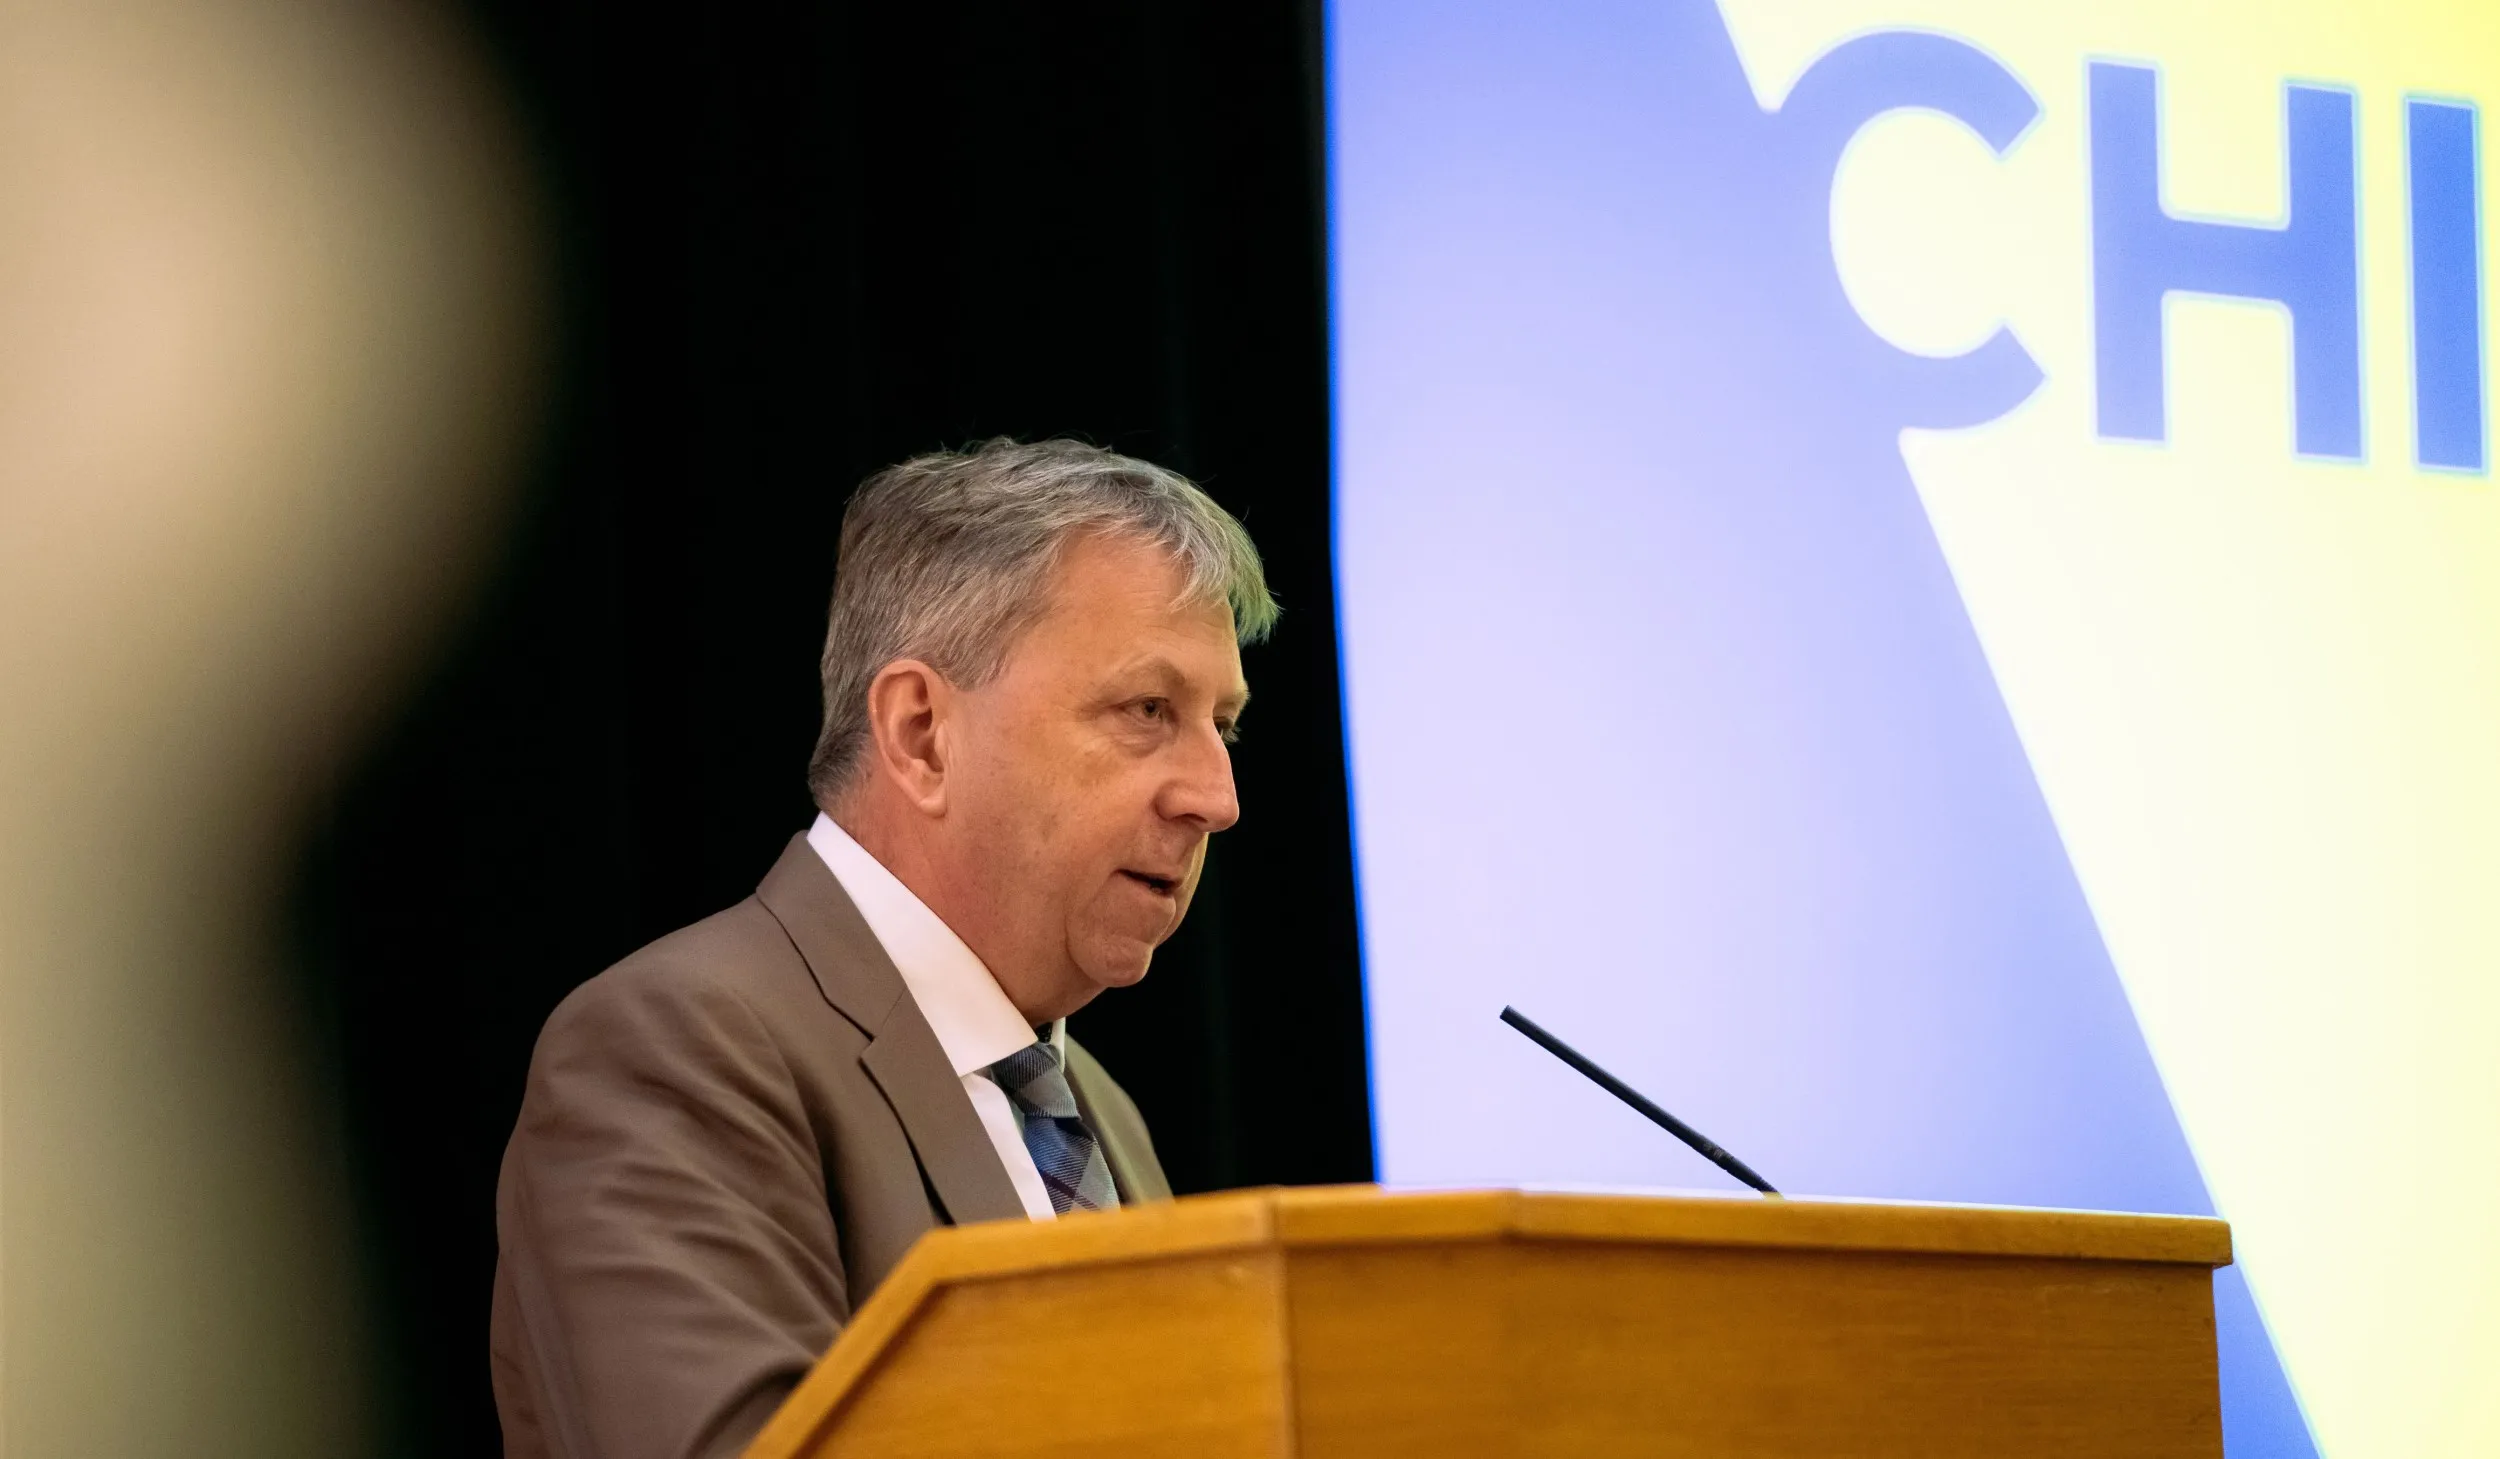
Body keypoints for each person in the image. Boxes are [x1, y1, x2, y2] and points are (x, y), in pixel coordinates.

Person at [488, 439, 1275, 1459]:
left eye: (1224, 726)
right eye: (1146, 712)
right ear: (918, 734)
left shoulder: (1099, 1114)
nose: (1217, 797)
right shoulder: (675, 1048)